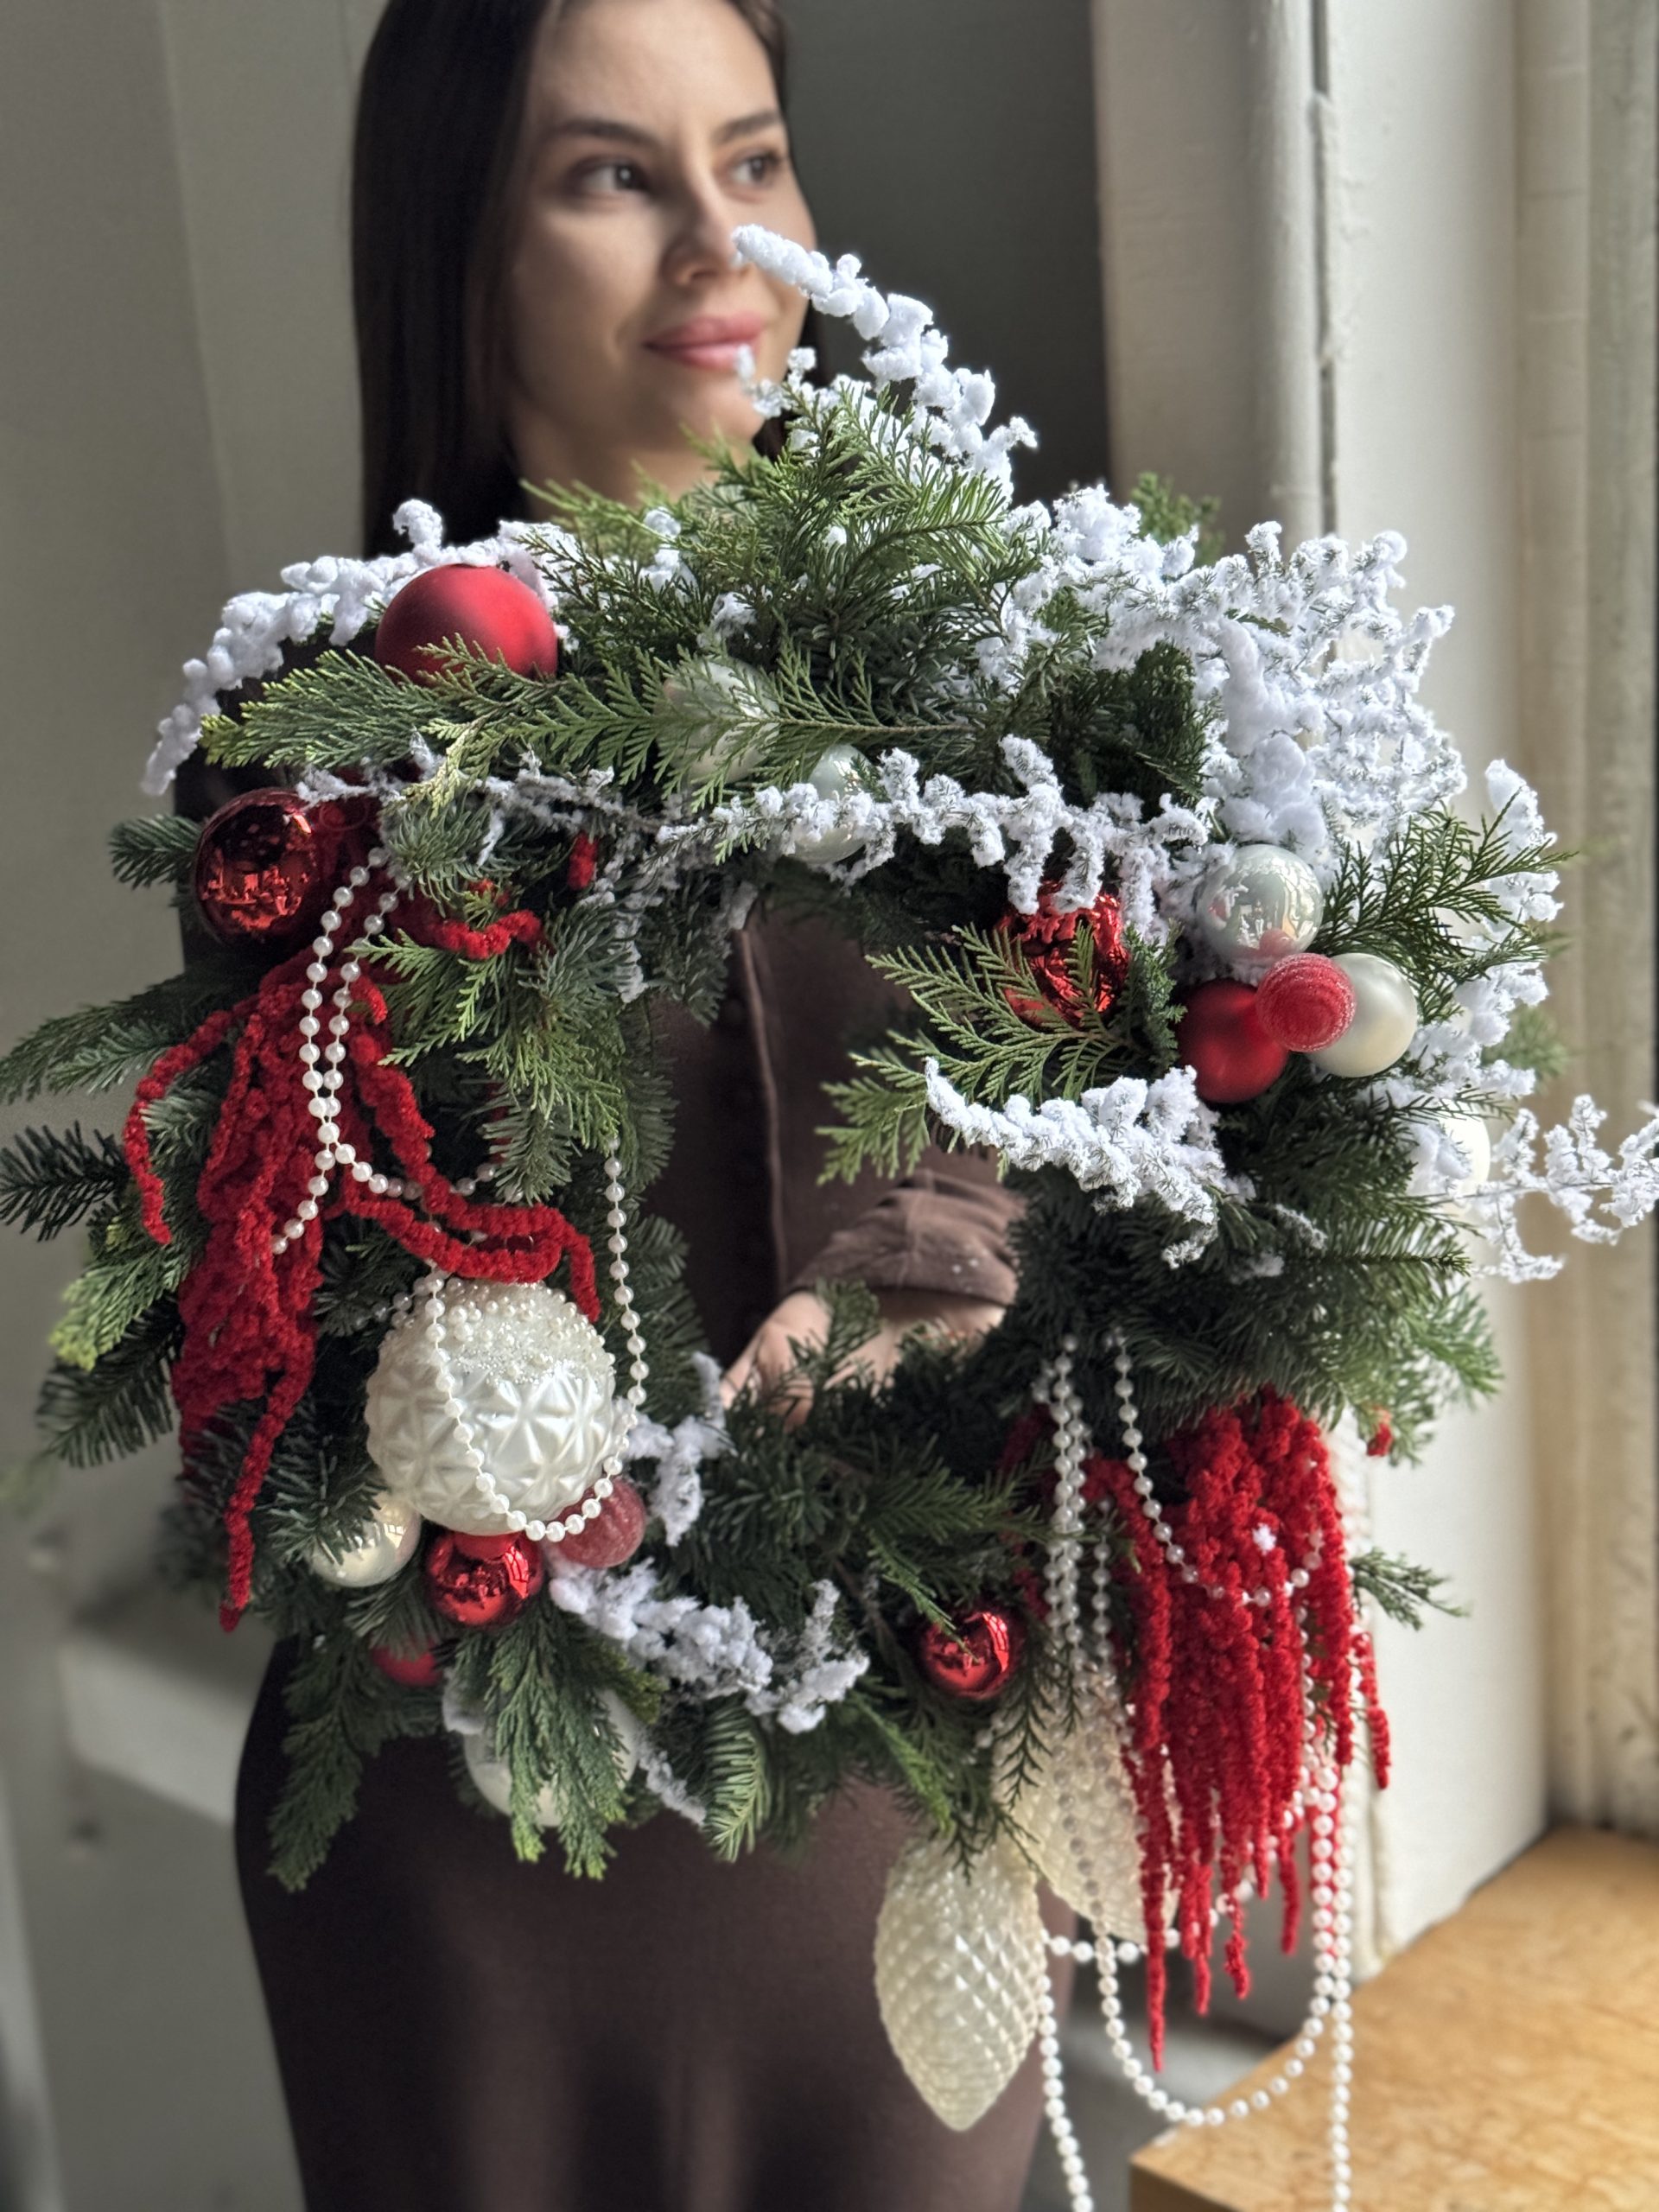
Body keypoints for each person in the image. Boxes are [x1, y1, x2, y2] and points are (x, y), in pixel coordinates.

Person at [226, 4, 1070, 2205]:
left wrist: (939, 1255)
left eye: (756, 159)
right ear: (464, 248)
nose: (725, 241)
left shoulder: (1010, 693)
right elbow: (304, 1273)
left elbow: (1095, 1098)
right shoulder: (327, 760)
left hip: (900, 1831)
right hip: (476, 1837)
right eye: (615, 175)